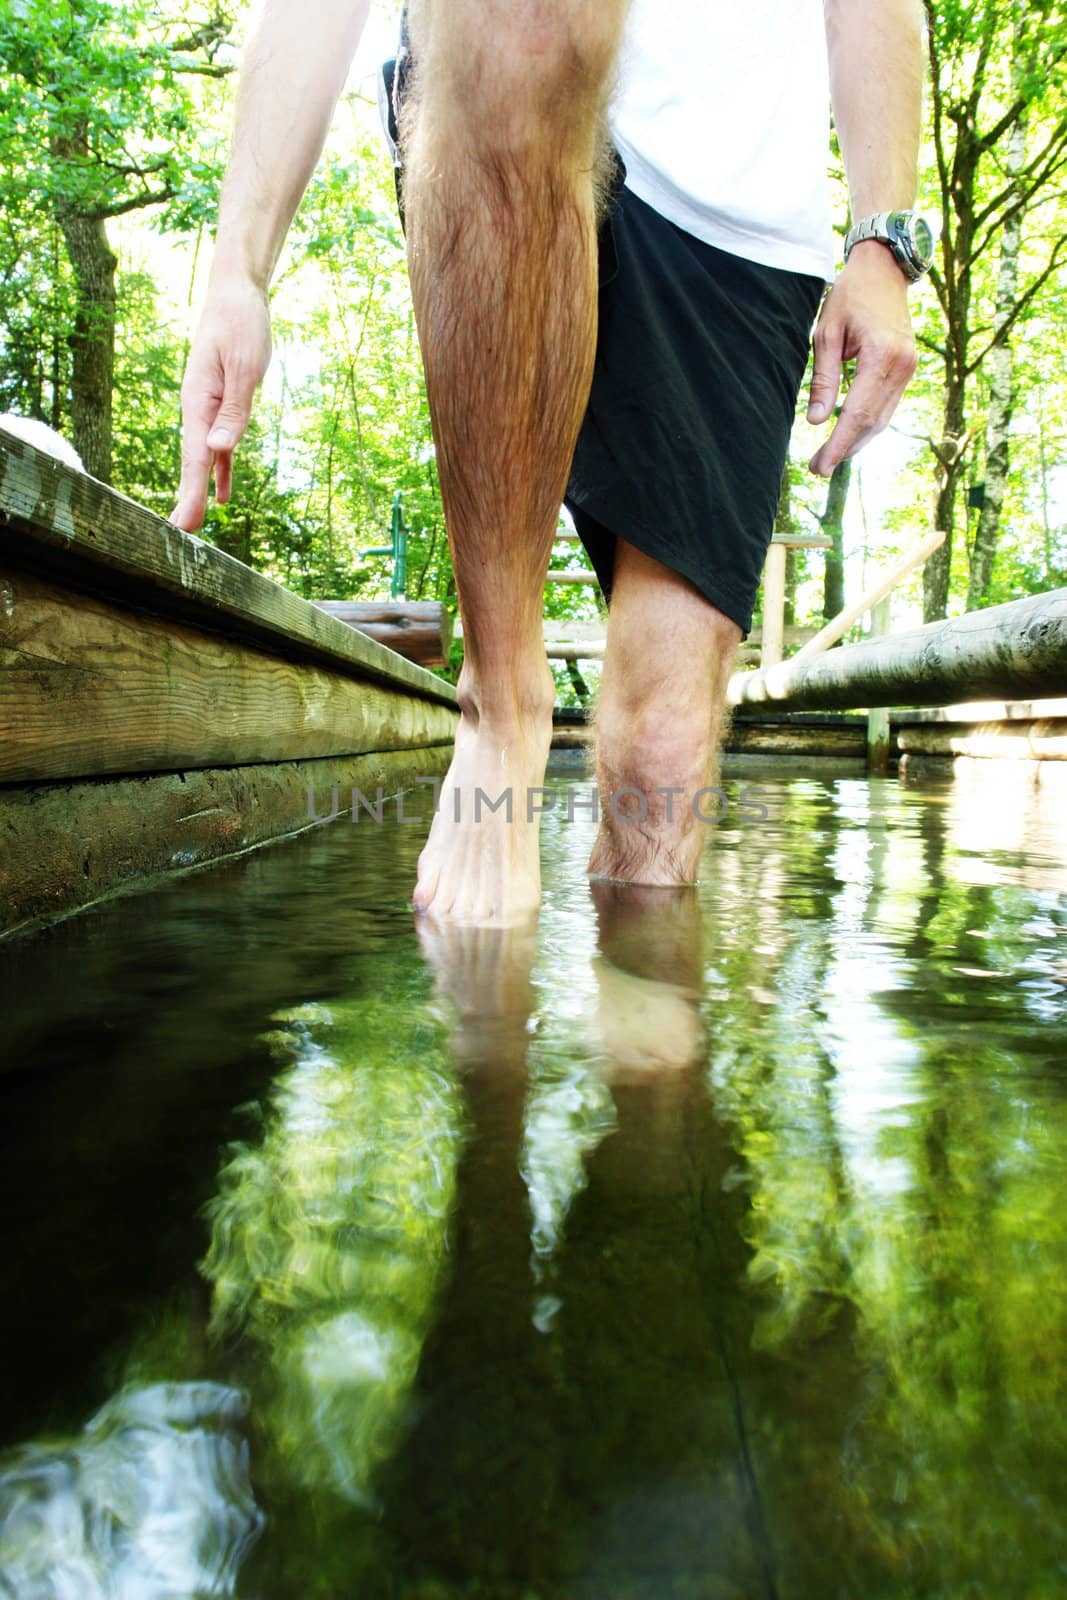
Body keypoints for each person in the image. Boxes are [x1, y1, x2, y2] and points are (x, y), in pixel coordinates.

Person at [172, 0, 925, 927]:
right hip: (493, 108)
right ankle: (501, 706)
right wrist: (237, 273)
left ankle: (641, 1036)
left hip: (739, 220)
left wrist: (884, 241)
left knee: (662, 758)